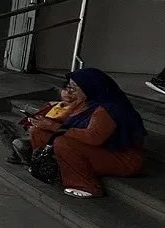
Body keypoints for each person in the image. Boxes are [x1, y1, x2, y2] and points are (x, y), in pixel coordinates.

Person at [26, 68, 147, 198]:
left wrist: (53, 126)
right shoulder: (84, 103)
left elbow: (93, 137)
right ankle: (46, 167)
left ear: (90, 88)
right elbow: (65, 120)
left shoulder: (107, 109)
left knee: (63, 143)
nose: (70, 91)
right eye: (69, 86)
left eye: (74, 87)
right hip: (95, 150)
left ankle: (86, 186)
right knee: (38, 131)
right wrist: (42, 121)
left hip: (121, 159)